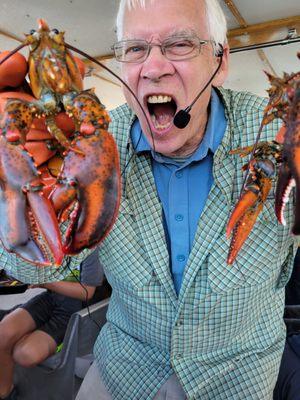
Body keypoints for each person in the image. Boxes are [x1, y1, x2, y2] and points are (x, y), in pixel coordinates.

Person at [74, 0, 299, 399]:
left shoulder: (278, 128)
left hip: (238, 376)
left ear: (220, 60)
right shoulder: (92, 139)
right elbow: (32, 265)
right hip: (125, 369)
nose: (153, 67)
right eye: (136, 48)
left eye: (179, 44)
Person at [0, 250, 103, 400]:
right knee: (3, 334)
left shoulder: (91, 249)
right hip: (50, 299)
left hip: (73, 312)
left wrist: (45, 282)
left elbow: (87, 291)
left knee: (23, 354)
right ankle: (5, 393)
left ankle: (27, 325)